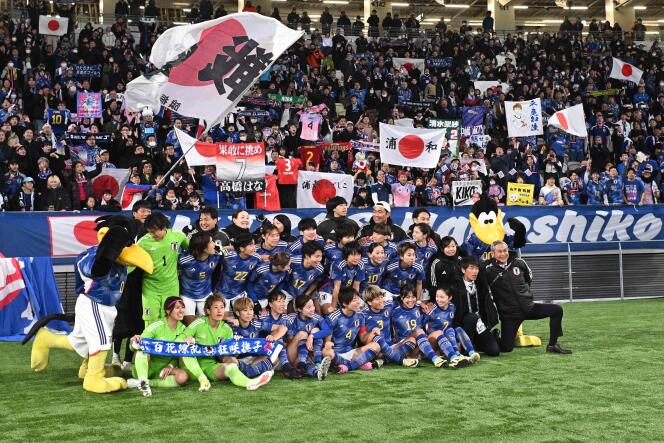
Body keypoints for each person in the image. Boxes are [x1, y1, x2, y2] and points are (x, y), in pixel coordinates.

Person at [484, 241, 572, 354]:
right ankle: (494, 337)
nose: (503, 254)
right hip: (510, 315)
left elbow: (528, 278)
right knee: (506, 349)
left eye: (505, 250)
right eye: (499, 251)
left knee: (557, 310)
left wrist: (523, 295)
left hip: (528, 308)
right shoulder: (487, 269)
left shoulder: (519, 262)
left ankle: (553, 345)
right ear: (493, 253)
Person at [182, 295, 273, 392]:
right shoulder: (199, 322)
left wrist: (235, 344)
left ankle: (250, 383)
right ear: (208, 311)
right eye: (216, 307)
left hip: (210, 365)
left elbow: (226, 354)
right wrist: (187, 339)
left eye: (222, 307)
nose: (220, 311)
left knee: (231, 367)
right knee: (187, 347)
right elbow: (180, 338)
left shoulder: (227, 329)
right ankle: (202, 379)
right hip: (190, 367)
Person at [111, 200, 152, 370]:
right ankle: (114, 356)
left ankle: (128, 360)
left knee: (137, 322)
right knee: (121, 319)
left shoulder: (150, 233)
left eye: (149, 211)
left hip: (142, 283)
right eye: (143, 211)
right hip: (124, 283)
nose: (146, 214)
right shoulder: (125, 231)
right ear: (134, 213)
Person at [127, 297, 190, 397]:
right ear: (168, 311)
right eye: (178, 308)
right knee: (141, 350)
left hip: (164, 369)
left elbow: (180, 354)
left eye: (183, 307)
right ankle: (142, 378)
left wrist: (170, 366)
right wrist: (134, 341)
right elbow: (134, 346)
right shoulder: (157, 326)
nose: (181, 310)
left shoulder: (183, 329)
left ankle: (142, 383)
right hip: (148, 366)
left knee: (182, 377)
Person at [138, 213, 189, 326]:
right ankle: (149, 343)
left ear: (164, 227)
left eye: (155, 231)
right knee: (151, 321)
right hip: (150, 288)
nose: (152, 234)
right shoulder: (142, 242)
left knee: (171, 319)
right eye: (149, 231)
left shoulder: (178, 236)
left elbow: (191, 250)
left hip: (171, 287)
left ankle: (168, 343)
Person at [322, 287, 382, 374]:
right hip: (336, 353)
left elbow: (363, 339)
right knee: (326, 352)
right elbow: (327, 343)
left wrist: (372, 333)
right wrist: (329, 346)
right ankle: (358, 363)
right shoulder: (333, 317)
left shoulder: (360, 316)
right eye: (354, 300)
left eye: (358, 299)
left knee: (376, 345)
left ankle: (347, 367)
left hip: (352, 353)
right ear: (344, 303)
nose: (358, 302)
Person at [452, 256, 500, 356]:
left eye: (477, 268)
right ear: (463, 270)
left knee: (494, 351)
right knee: (471, 317)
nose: (475, 271)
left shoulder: (480, 284)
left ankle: (479, 342)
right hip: (463, 326)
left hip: (480, 325)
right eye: (471, 268)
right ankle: (466, 346)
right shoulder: (455, 286)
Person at [362, 285, 419, 368]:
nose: (381, 301)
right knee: (376, 340)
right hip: (377, 350)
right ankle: (398, 360)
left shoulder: (388, 306)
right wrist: (371, 333)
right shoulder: (363, 315)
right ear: (369, 302)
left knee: (412, 340)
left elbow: (405, 301)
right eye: (377, 299)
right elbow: (363, 339)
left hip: (391, 346)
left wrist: (422, 304)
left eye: (381, 297)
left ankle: (383, 361)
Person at [391, 284, 447, 368]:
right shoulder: (394, 311)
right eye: (407, 297)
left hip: (420, 345)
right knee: (418, 332)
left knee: (438, 333)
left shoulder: (420, 308)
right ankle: (435, 358)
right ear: (402, 298)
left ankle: (454, 357)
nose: (410, 300)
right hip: (405, 345)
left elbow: (436, 324)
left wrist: (430, 313)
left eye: (413, 297)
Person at [424, 286, 480, 367]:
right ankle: (455, 355)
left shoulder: (452, 307)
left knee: (457, 329)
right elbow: (422, 326)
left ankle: (471, 353)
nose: (438, 299)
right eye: (437, 296)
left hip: (446, 339)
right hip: (433, 341)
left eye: (442, 297)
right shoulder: (431, 309)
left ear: (450, 298)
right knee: (447, 330)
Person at [178, 232, 222, 325]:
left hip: (206, 295)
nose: (214, 244)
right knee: (191, 326)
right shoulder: (183, 260)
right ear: (203, 247)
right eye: (211, 242)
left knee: (207, 325)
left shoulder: (216, 256)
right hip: (187, 296)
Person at [288, 294, 332, 379]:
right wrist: (304, 341)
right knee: (302, 334)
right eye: (308, 307)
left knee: (315, 330)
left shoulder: (316, 317)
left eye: (313, 306)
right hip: (293, 351)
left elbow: (327, 330)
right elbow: (290, 341)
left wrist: (312, 336)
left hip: (308, 351)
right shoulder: (292, 319)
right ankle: (304, 362)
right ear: (299, 309)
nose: (312, 309)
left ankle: (317, 373)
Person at [216, 233, 263, 310]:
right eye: (251, 245)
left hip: (240, 293)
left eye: (254, 244)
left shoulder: (256, 258)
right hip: (222, 292)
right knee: (224, 317)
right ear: (241, 248)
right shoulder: (228, 256)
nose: (254, 248)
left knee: (245, 315)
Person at [283, 241, 325, 309]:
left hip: (299, 295)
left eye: (321, 256)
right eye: (317, 256)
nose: (320, 259)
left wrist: (306, 295)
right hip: (284, 291)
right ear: (307, 256)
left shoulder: (320, 269)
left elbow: (315, 282)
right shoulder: (292, 261)